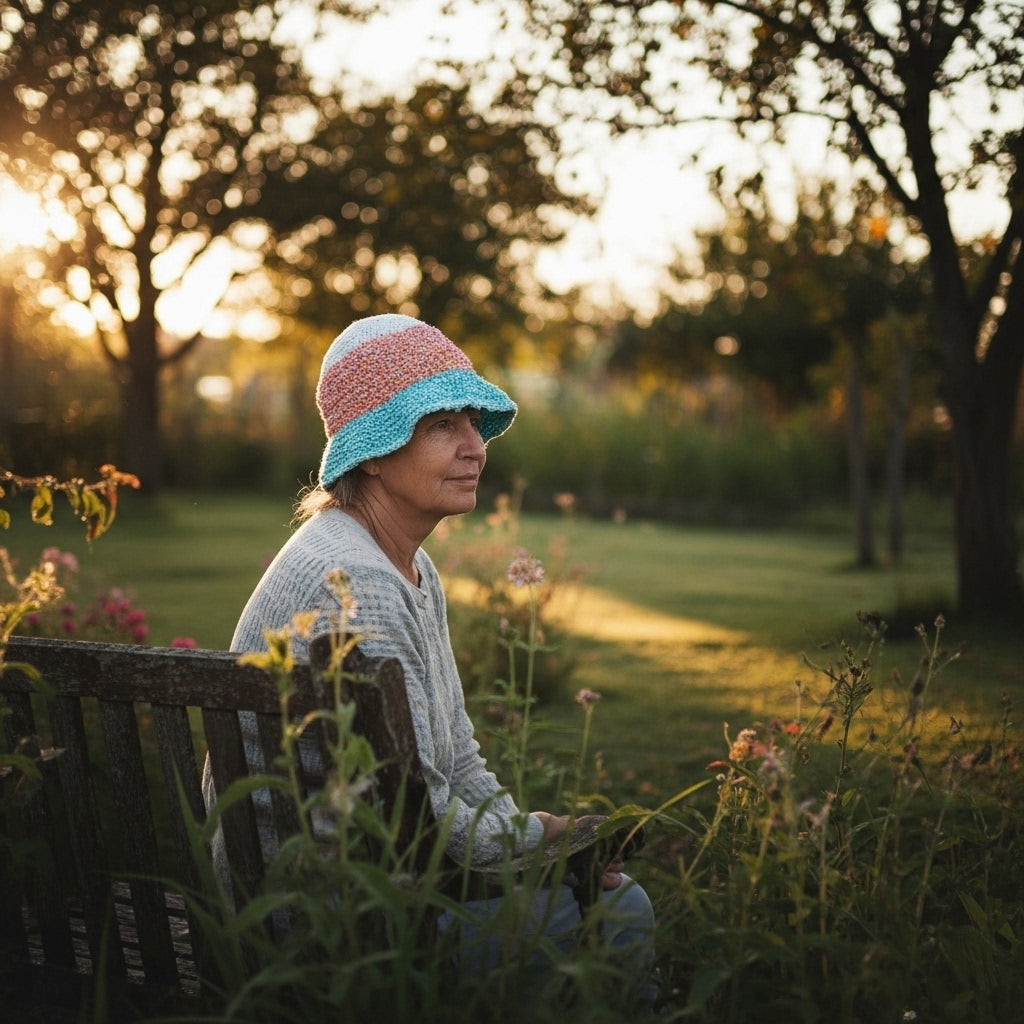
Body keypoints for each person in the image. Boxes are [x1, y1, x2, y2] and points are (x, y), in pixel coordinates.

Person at [206, 313, 655, 1003]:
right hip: (330, 932)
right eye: (442, 425)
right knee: (625, 912)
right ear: (374, 451)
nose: (475, 447)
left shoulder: (401, 566)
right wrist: (547, 840)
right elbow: (430, 823)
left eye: (473, 421)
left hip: (348, 895)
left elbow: (456, 763)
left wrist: (537, 844)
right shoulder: (359, 584)